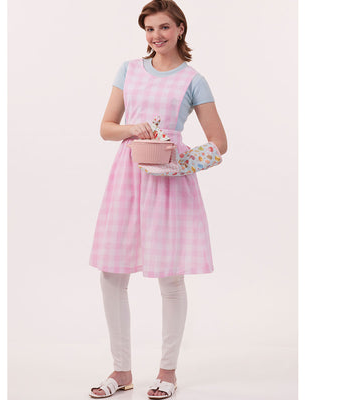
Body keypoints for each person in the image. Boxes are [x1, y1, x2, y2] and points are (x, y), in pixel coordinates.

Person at [88, 0, 227, 398]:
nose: (156, 36)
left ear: (180, 28)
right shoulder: (129, 70)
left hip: (170, 180)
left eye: (164, 27)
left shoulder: (194, 79)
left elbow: (219, 142)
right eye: (149, 29)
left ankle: (167, 371)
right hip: (127, 176)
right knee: (111, 274)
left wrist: (181, 164)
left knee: (170, 276)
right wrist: (133, 128)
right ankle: (121, 371)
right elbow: (106, 128)